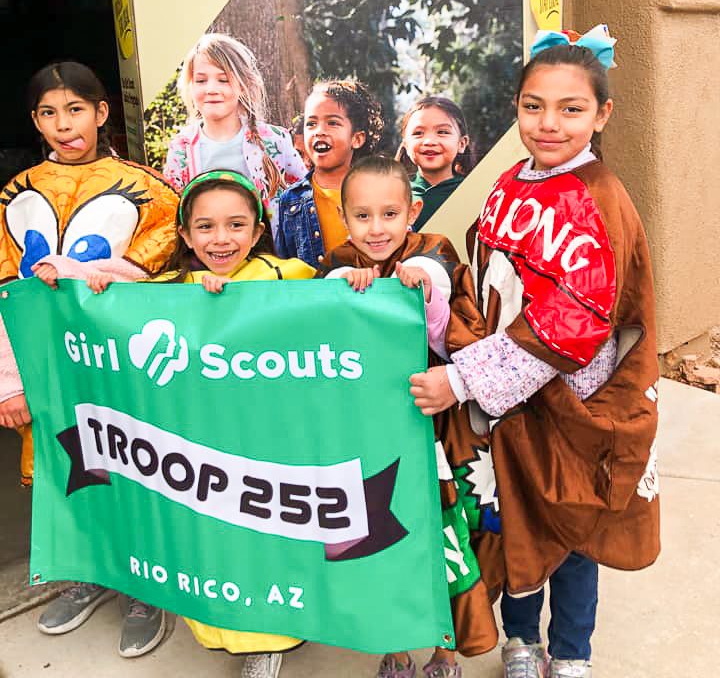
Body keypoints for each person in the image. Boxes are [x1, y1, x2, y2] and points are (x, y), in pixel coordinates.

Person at [410, 27, 660, 678]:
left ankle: (571, 653)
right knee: (516, 521)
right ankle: (521, 642)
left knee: (574, 536)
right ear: (516, 108)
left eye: (571, 108)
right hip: (514, 408)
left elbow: (572, 318)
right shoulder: (511, 184)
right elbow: (489, 277)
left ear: (601, 114)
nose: (549, 123)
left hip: (577, 405)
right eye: (533, 106)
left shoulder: (599, 195)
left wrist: (462, 380)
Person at [90, 169, 315, 678]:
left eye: (236, 225)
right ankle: (228, 632)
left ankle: (268, 642)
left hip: (270, 449)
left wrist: (358, 280)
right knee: (213, 546)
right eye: (206, 227)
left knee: (267, 543)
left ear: (259, 231)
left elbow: (338, 305)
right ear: (186, 236)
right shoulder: (171, 289)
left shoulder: (289, 275)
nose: (221, 239)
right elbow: (116, 310)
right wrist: (98, 289)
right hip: (197, 454)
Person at [0, 61, 179, 657]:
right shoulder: (14, 195)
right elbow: (5, 290)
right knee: (66, 473)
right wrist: (8, 381)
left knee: (135, 465)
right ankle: (87, 574)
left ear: (102, 112)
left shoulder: (151, 190)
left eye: (75, 109)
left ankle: (145, 586)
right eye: (49, 113)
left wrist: (83, 273)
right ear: (35, 121)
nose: (63, 124)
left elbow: (159, 279)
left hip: (119, 367)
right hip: (46, 367)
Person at [321, 155, 498, 678]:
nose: (377, 229)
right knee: (381, 532)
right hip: (370, 432)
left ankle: (445, 645)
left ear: (412, 211)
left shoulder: (434, 252)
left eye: (390, 214)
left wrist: (421, 294)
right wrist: (339, 289)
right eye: (362, 216)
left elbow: (458, 330)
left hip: (435, 425)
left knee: (445, 532)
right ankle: (394, 639)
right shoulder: (337, 260)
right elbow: (314, 342)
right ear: (344, 214)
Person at [162, 33, 307, 235]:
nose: (211, 89)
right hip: (208, 259)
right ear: (190, 85)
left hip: (270, 258)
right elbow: (171, 211)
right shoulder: (181, 148)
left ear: (244, 85)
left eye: (223, 80)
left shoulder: (274, 140)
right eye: (201, 80)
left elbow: (307, 195)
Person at [275, 79, 383, 268]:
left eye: (332, 123)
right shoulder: (291, 199)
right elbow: (283, 266)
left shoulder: (380, 192)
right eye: (311, 124)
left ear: (356, 139)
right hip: (314, 296)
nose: (319, 131)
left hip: (369, 294)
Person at [397, 97, 472, 231]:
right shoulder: (395, 193)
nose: (429, 141)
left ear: (462, 144)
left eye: (442, 132)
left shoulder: (475, 192)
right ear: (406, 145)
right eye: (418, 133)